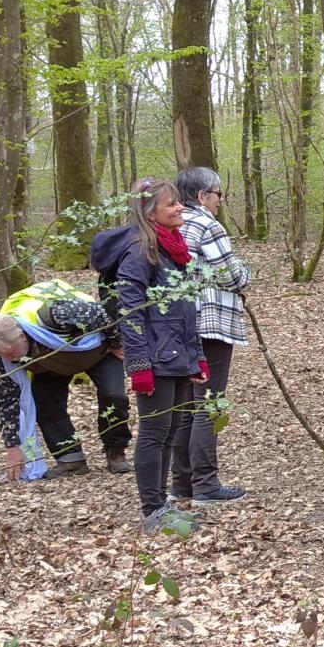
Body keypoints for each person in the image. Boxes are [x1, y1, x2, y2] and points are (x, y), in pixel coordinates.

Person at [114, 177, 210, 533]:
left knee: (170, 432)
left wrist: (196, 355)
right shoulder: (140, 250)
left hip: (178, 356)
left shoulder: (173, 248)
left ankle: (163, 505)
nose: (180, 208)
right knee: (154, 433)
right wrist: (139, 365)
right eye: (171, 204)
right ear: (149, 211)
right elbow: (130, 311)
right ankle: (152, 510)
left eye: (178, 203)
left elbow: (184, 310)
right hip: (155, 359)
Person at [0, 282, 131, 481]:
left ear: (22, 336)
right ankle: (71, 459)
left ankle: (116, 451)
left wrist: (116, 344)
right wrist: (12, 447)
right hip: (53, 365)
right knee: (43, 401)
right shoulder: (5, 358)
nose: (12, 360)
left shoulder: (53, 314)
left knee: (114, 395)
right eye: (5, 356)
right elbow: (5, 401)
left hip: (97, 351)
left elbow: (102, 313)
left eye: (12, 353)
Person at [171, 167, 249, 502]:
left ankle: (182, 485)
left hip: (178, 326)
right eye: (218, 194)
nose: (220, 201)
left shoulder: (170, 223)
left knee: (186, 404)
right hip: (210, 326)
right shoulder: (205, 224)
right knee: (208, 403)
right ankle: (205, 484)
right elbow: (231, 275)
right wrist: (245, 273)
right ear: (203, 195)